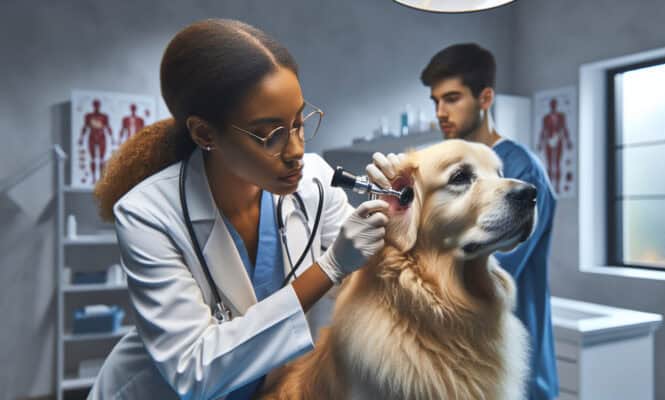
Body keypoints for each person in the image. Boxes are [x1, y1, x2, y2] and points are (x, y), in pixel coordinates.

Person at [89, 19, 396, 399]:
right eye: (271, 135)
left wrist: (399, 208)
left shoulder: (316, 180)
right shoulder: (147, 215)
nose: (297, 151)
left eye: (299, 123)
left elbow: (373, 282)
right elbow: (195, 370)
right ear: (204, 134)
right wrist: (330, 267)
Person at [420, 43, 559, 400]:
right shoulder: (452, 167)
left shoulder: (522, 171)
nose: (441, 112)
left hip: (512, 361)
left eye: (452, 99)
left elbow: (494, 269)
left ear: (485, 98)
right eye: (436, 101)